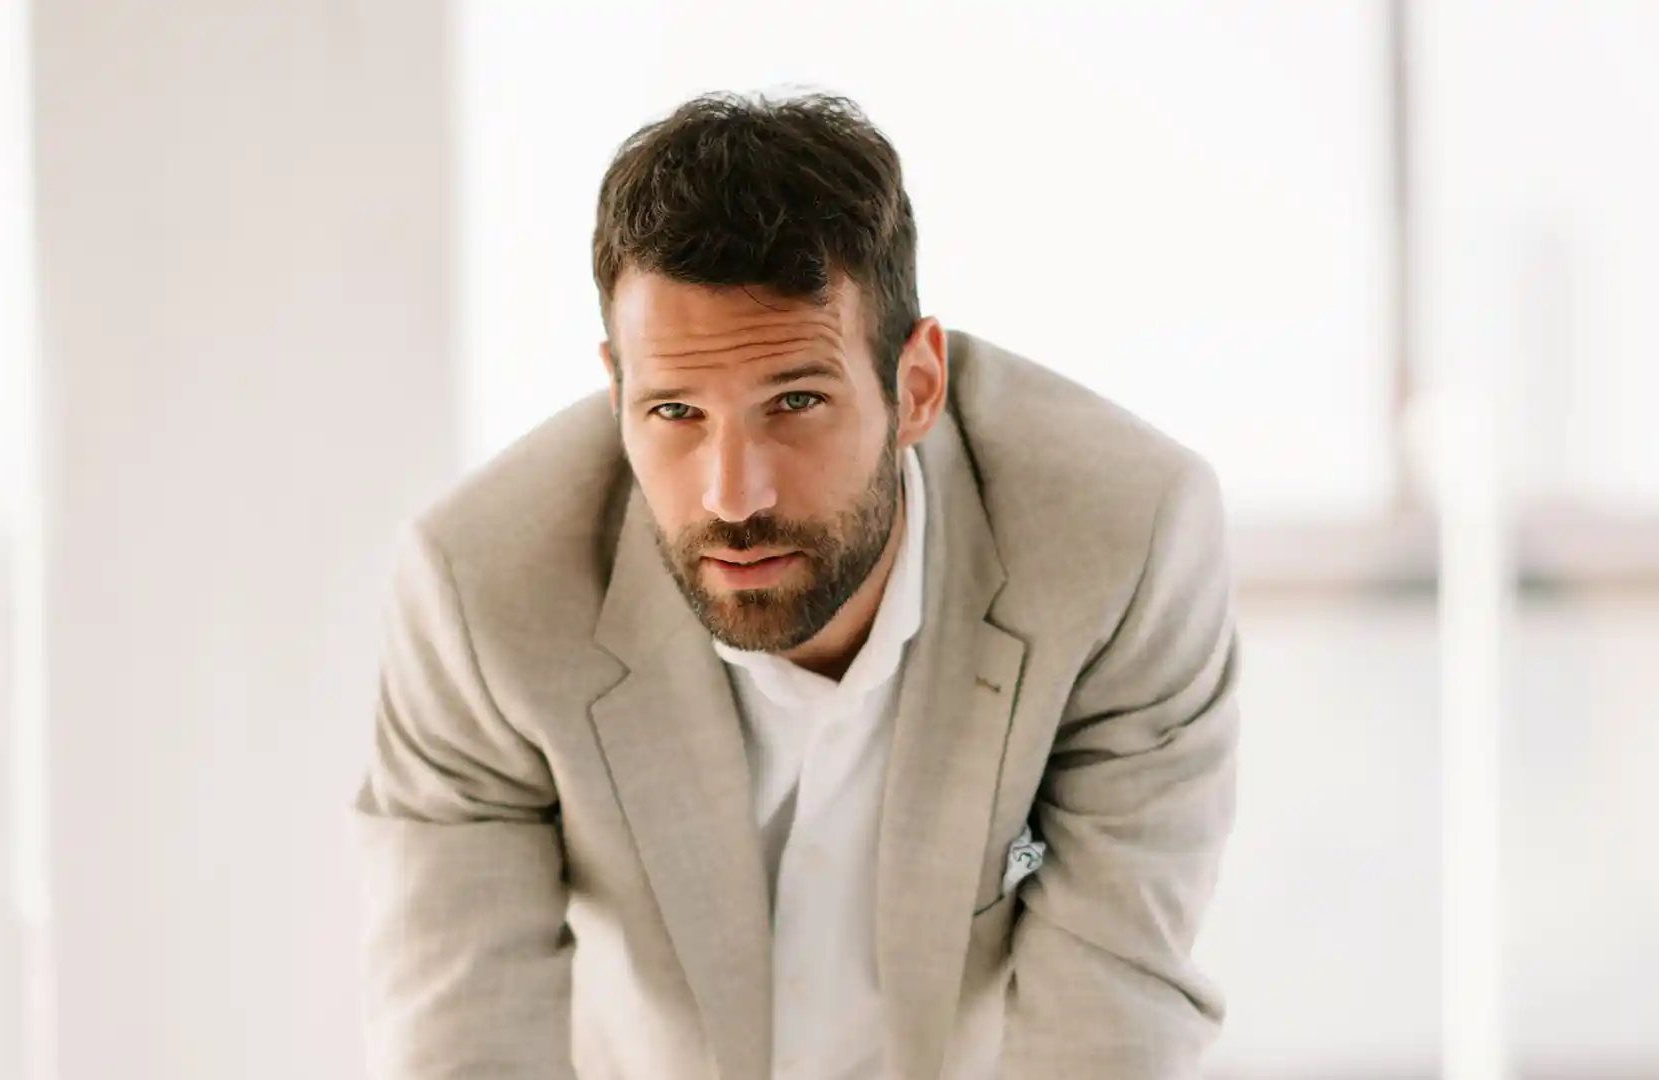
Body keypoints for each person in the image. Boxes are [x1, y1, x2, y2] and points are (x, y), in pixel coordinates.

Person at [354, 91, 1240, 1080]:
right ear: (618, 391)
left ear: (916, 387)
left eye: (796, 401)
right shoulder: (481, 594)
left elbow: (1110, 1019)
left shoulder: (1122, 544)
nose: (734, 495)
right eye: (675, 412)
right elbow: (463, 1037)